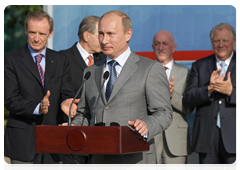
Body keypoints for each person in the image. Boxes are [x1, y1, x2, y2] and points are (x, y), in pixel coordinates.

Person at [65, 10, 173, 170]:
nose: (104, 40)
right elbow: (85, 114)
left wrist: (146, 124)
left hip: (135, 161)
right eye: (101, 34)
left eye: (110, 34)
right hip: (99, 161)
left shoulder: (150, 69)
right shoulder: (91, 71)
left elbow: (164, 113)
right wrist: (72, 127)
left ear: (128, 34)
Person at [4, 10, 78, 170]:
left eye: (42, 33)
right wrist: (38, 108)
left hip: (54, 139)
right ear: (25, 30)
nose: (36, 38)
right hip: (23, 139)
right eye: (32, 32)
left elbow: (67, 91)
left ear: (50, 33)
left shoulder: (60, 60)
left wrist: (66, 102)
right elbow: (9, 99)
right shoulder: (10, 60)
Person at [183, 23, 238, 170]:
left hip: (236, 138)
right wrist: (208, 89)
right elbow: (188, 98)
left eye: (225, 40)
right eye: (216, 41)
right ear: (211, 42)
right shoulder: (199, 66)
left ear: (234, 41)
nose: (221, 45)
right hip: (207, 139)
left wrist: (232, 92)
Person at [59, 15, 106, 170]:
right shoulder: (62, 58)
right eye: (100, 34)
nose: (103, 39)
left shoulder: (105, 60)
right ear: (87, 36)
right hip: (71, 137)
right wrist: (64, 102)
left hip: (99, 139)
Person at [152, 30, 193, 170]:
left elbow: (188, 108)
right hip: (151, 139)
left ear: (174, 47)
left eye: (165, 43)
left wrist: (171, 95)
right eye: (157, 44)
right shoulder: (145, 72)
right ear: (152, 47)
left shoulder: (186, 73)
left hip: (177, 140)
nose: (161, 47)